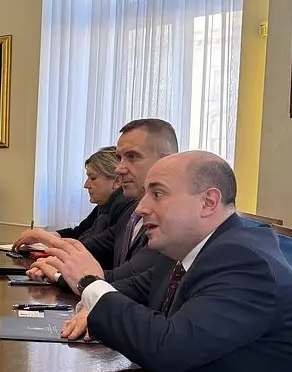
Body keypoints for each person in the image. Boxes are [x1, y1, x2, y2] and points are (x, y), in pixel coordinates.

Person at [43, 151, 292, 372]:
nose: (141, 208)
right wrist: (91, 300)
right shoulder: (184, 251)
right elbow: (129, 291)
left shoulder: (243, 261)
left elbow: (168, 349)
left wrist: (91, 284)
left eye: (157, 194)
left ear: (208, 202)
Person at [20, 118, 178, 288]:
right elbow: (91, 246)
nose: (119, 169)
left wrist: (59, 274)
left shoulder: (173, 219)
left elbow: (129, 279)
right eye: (120, 158)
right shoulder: (131, 213)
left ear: (166, 161)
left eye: (132, 157)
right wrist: (55, 262)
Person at [53, 146, 135, 249]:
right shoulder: (103, 207)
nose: (86, 185)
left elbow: (95, 247)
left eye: (93, 178)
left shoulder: (124, 208)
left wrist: (45, 238)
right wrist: (49, 235)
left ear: (117, 181)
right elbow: (78, 232)